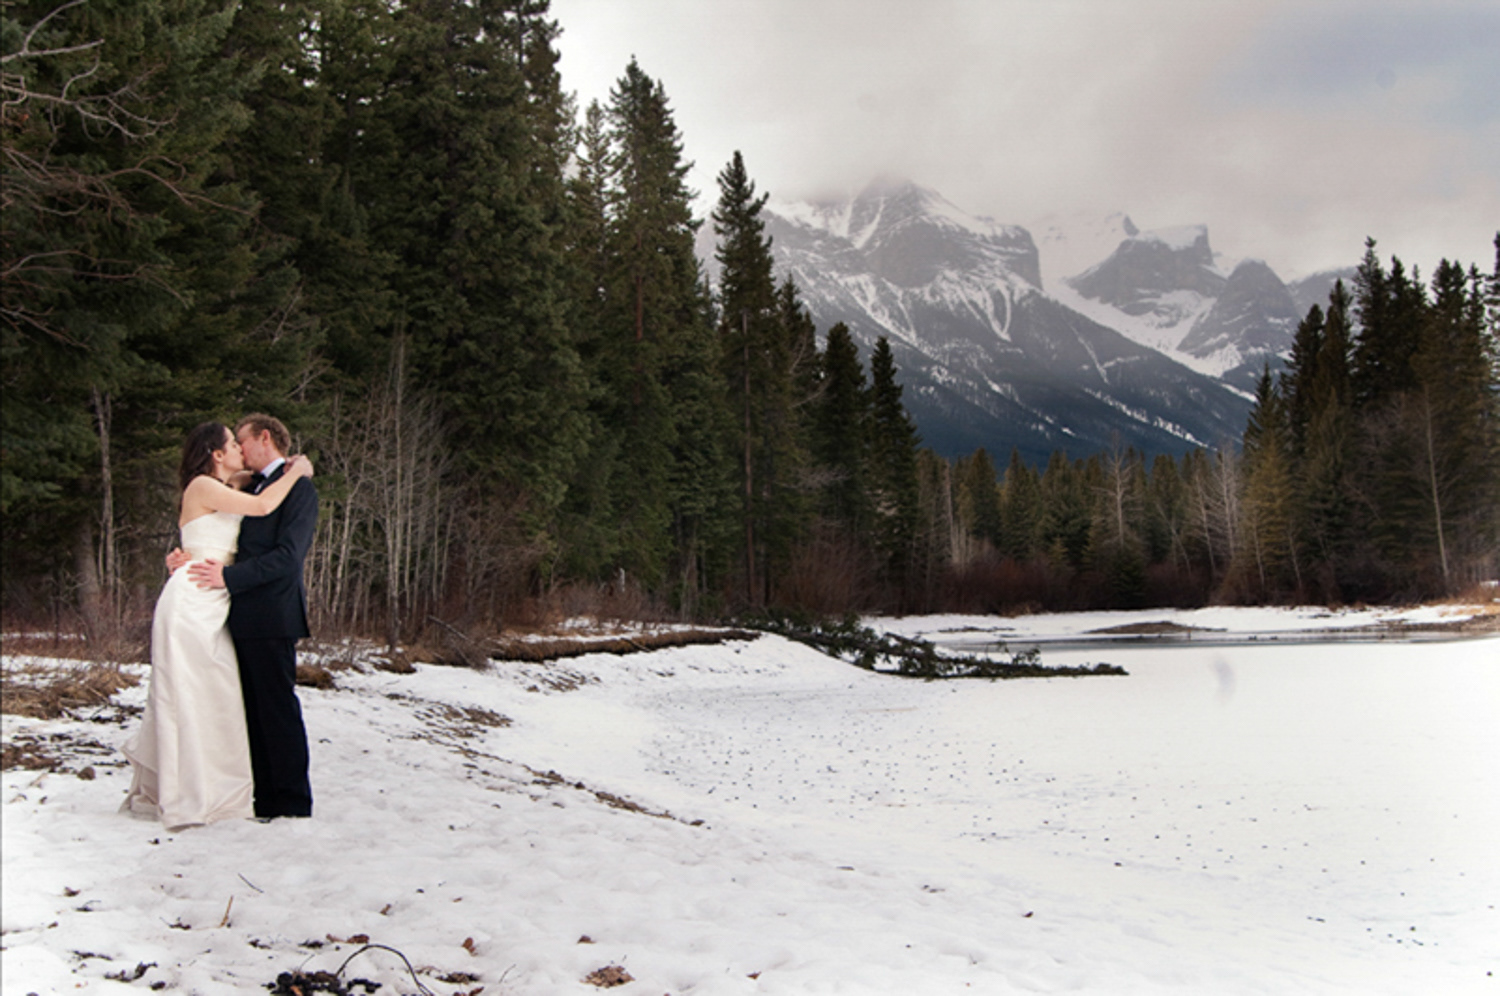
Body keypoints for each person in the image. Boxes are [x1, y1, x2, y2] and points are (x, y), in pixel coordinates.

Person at [122, 422, 313, 830]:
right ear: (216, 453)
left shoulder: (242, 485)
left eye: (242, 440)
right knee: (191, 697)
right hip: (195, 601)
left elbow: (258, 493)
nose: (240, 450)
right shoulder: (205, 487)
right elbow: (260, 508)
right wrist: (298, 469)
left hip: (227, 603)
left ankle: (250, 797)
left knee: (220, 701)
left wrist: (291, 469)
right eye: (233, 443)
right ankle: (190, 791)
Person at [187, 413, 320, 819]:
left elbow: (287, 558)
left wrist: (229, 577)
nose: (239, 451)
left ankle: (292, 803)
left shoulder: (299, 490)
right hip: (236, 613)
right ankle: (263, 799)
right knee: (249, 711)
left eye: (241, 442)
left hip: (272, 613)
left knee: (276, 709)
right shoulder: (250, 486)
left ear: (265, 438)